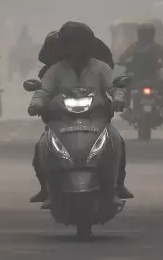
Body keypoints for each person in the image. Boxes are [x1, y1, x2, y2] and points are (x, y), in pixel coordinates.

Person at [27, 21, 134, 205]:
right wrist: (36, 104)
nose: (75, 48)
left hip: (97, 117)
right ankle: (46, 188)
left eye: (79, 43)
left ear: (87, 45)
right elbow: (43, 91)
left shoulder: (101, 68)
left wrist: (118, 99)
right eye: (70, 44)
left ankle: (118, 186)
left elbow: (113, 87)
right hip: (61, 118)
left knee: (117, 141)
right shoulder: (55, 70)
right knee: (41, 146)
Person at [118, 23, 163, 105]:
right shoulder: (156, 47)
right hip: (151, 76)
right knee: (162, 86)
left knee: (126, 86)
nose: (145, 35)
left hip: (138, 76)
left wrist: (122, 62)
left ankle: (127, 106)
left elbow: (122, 58)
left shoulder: (134, 46)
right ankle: (162, 103)